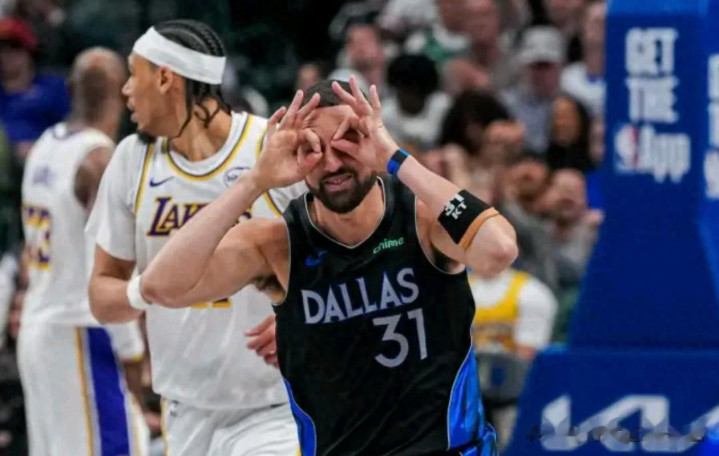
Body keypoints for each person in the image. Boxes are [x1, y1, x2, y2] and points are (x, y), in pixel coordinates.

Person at [139, 76, 519, 455]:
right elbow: (160, 286)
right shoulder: (277, 245)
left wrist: (394, 157)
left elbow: (499, 249)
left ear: (372, 137)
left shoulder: (422, 222)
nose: (332, 163)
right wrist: (255, 181)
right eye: (314, 149)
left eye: (347, 141)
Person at [86, 20, 300, 456]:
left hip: (274, 405)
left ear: (166, 78)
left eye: (134, 74)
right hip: (184, 409)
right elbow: (101, 295)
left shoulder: (270, 146)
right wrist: (151, 290)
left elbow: (344, 253)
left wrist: (303, 314)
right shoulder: (131, 161)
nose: (126, 90)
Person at [19, 48, 148, 456]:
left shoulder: (43, 145)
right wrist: (132, 350)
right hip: (83, 331)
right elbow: (107, 266)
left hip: (38, 328)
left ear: (70, 88)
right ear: (125, 92)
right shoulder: (100, 160)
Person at [0, 17, 70, 158]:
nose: (5, 55)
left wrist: (40, 148)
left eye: (14, 48)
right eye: (1, 49)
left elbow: (71, 127)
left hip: (49, 157)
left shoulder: (53, 88)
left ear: (29, 50)